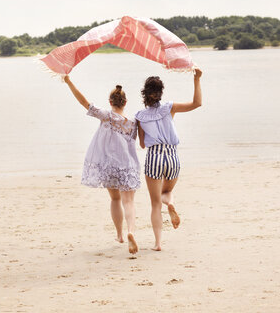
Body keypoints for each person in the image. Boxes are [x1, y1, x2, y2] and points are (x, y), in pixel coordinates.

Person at [64, 76, 140, 254]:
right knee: (128, 201)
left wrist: (69, 81)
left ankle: (120, 235)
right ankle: (130, 231)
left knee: (115, 199)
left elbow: (84, 102)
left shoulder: (106, 116)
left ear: (110, 101)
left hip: (109, 166)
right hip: (127, 166)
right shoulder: (133, 123)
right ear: (125, 102)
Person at [135, 69, 203, 251]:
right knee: (166, 192)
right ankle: (170, 202)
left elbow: (142, 144)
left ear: (145, 93)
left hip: (154, 157)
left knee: (155, 203)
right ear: (160, 93)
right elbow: (197, 103)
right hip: (172, 156)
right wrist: (197, 78)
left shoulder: (140, 116)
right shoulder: (170, 108)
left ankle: (158, 243)